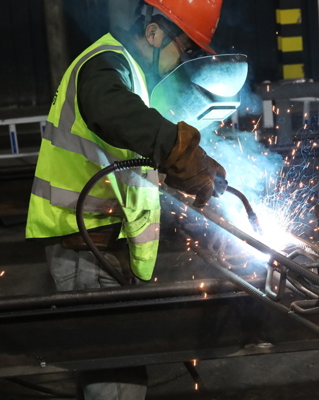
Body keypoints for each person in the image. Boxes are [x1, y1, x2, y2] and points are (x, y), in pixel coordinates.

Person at [26, 0, 226, 398]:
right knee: (118, 387)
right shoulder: (104, 66)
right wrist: (179, 150)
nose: (182, 62)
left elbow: (128, 163)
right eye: (184, 48)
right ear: (153, 33)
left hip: (103, 250)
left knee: (118, 377)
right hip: (88, 253)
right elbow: (113, 111)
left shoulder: (131, 75)